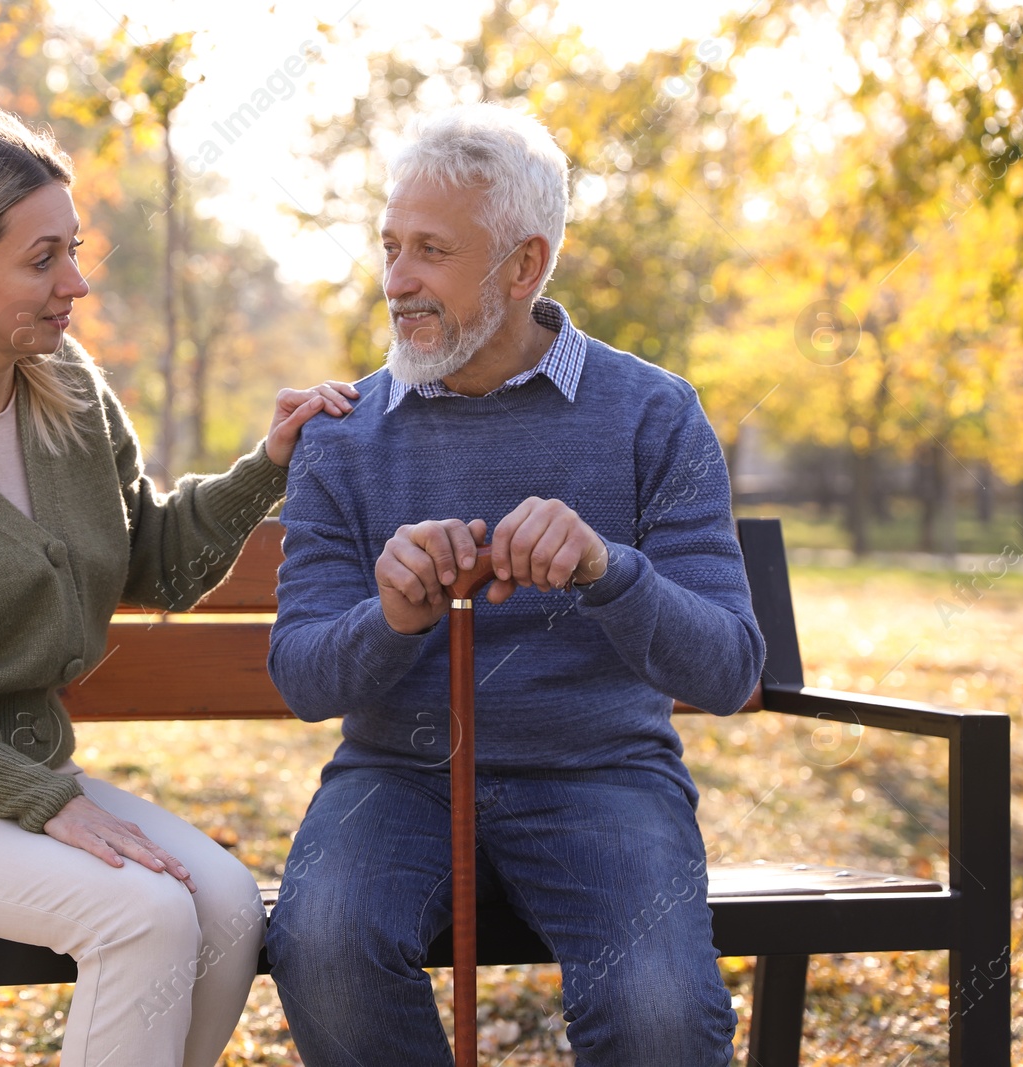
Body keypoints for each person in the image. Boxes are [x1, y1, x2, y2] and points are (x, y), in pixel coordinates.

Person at [0, 105, 357, 1067]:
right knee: (145, 917)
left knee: (220, 903)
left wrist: (268, 464)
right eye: (42, 259)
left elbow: (155, 557)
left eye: (74, 251)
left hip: (21, 785)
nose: (75, 284)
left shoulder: (69, 393)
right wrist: (49, 804)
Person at [264, 103, 765, 1066]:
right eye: (390, 246)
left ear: (525, 265)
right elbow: (302, 677)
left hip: (603, 776)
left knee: (661, 1014)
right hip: (397, 776)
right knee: (322, 945)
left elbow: (728, 665)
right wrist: (394, 616)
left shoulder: (653, 415)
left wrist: (609, 571)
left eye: (432, 252)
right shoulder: (341, 434)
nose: (397, 281)